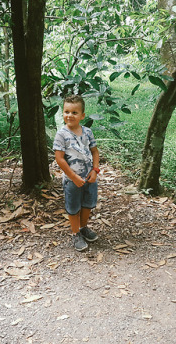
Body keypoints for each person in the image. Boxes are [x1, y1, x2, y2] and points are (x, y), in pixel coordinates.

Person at [53, 95, 100, 251]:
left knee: (87, 204)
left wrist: (95, 170)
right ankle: (75, 233)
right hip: (72, 180)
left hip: (89, 178)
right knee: (73, 208)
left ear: (82, 115)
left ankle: (83, 227)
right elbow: (60, 159)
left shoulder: (87, 132)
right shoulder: (62, 135)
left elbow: (95, 151)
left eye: (74, 112)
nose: (69, 115)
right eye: (66, 111)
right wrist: (73, 177)